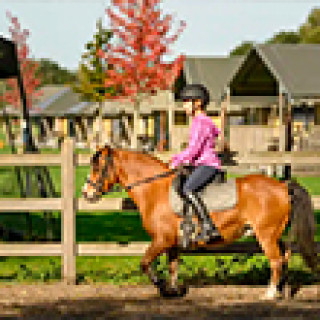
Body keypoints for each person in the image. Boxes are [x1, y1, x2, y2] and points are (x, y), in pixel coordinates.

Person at [169, 84, 222, 244]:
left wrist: (176, 160)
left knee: (188, 188)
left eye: (186, 102)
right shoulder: (201, 121)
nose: (184, 105)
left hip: (207, 164)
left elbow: (194, 150)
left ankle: (208, 226)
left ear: (197, 103)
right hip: (202, 163)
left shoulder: (200, 122)